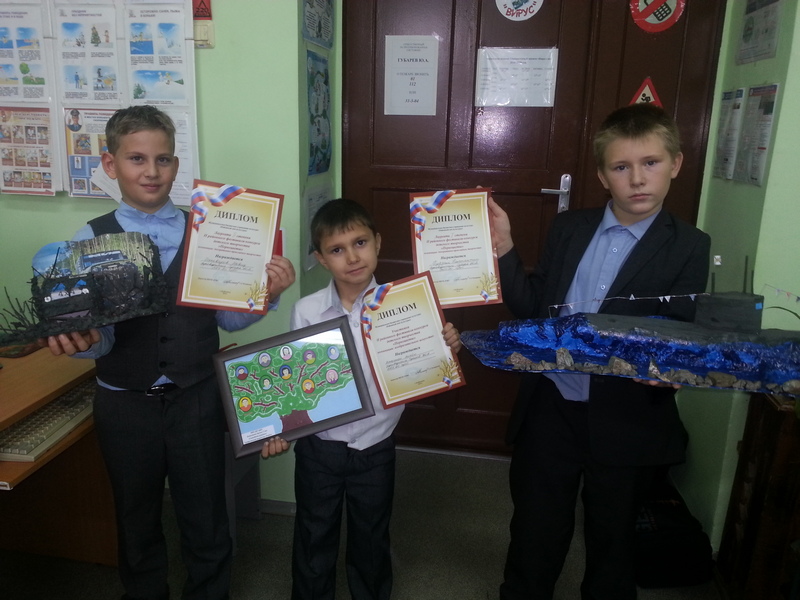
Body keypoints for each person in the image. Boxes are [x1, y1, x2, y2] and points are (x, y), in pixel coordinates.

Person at [41, 105, 296, 600]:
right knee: (135, 516)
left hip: (196, 398)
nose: (151, 171)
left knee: (206, 515)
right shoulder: (88, 240)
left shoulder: (211, 231)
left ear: (176, 165)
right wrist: (83, 341)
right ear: (111, 164)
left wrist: (268, 294)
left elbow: (227, 320)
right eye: (136, 159)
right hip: (124, 403)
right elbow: (97, 337)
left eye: (163, 159)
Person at [490, 103, 711, 600]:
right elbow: (534, 310)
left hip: (627, 415)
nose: (638, 179)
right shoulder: (570, 228)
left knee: (613, 537)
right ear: (602, 175)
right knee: (536, 527)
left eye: (651, 163)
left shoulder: (690, 246)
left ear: (676, 164)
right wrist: (505, 247)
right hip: (552, 403)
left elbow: (680, 331)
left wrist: (672, 368)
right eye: (621, 167)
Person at [261, 198, 462, 600]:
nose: (352, 257)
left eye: (360, 243)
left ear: (378, 242)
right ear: (321, 259)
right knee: (314, 535)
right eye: (337, 250)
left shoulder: (409, 305)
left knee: (371, 538)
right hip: (320, 448)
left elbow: (428, 366)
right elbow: (294, 383)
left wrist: (447, 347)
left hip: (375, 445)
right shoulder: (306, 311)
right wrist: (276, 428)